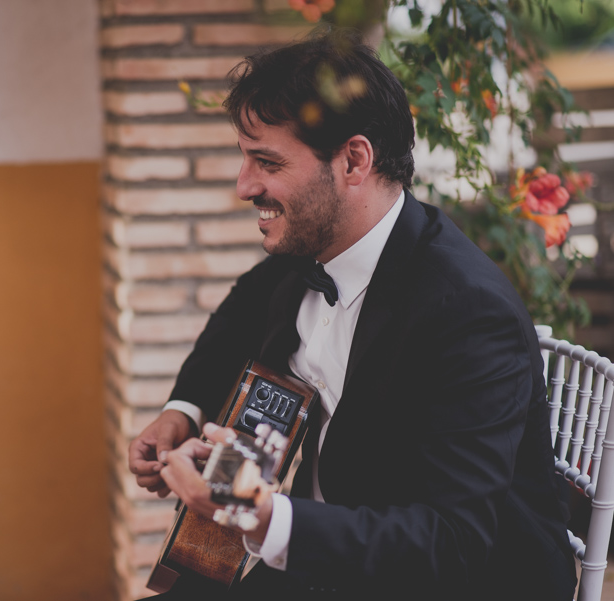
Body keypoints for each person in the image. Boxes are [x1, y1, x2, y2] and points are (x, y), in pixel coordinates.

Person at [128, 26, 576, 601]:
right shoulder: (309, 253)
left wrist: (266, 517)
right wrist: (182, 411)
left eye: (266, 161)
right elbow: (236, 319)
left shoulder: (468, 312)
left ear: (354, 160)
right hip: (326, 565)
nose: (244, 186)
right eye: (244, 159)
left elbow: (454, 542)